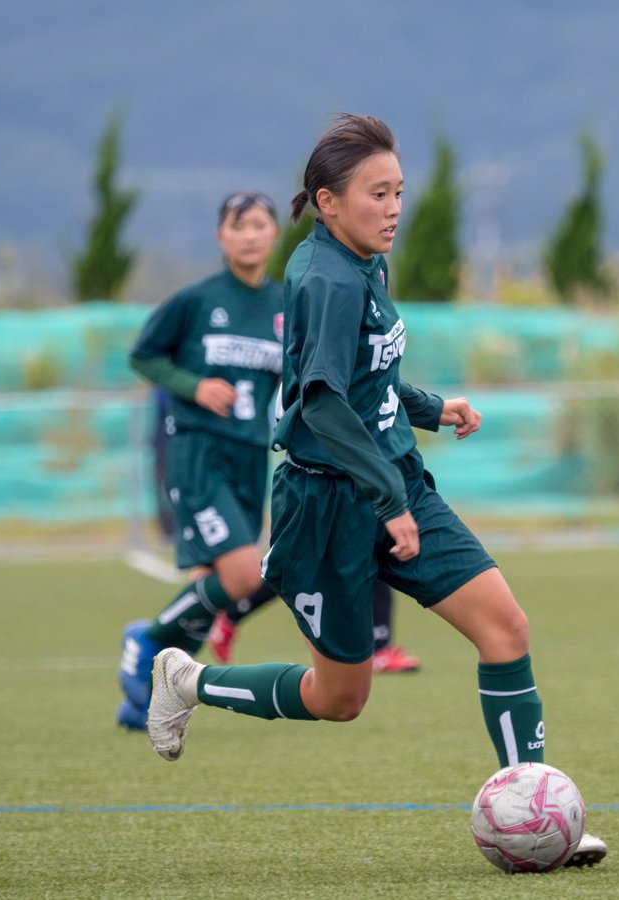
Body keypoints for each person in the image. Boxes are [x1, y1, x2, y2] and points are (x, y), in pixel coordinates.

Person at [144, 114, 606, 868]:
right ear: (326, 201)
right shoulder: (324, 277)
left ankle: (534, 808)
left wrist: (431, 409)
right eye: (376, 194)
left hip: (396, 484)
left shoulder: (367, 261)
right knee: (341, 699)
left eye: (398, 192)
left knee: (506, 632)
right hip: (326, 507)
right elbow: (321, 401)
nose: (393, 208)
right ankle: (188, 679)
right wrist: (386, 501)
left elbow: (370, 377)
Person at [117, 190, 418, 732]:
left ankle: (149, 693)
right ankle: (151, 640)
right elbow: (144, 355)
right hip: (197, 453)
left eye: (260, 224)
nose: (251, 234)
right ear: (221, 237)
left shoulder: (287, 301)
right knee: (237, 575)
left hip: (251, 456)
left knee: (221, 576)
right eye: (239, 225)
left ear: (275, 233)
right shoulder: (197, 300)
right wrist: (194, 385)